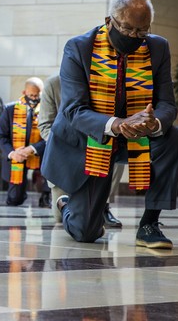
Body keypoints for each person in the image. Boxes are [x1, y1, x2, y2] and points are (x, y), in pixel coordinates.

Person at [42, 0, 178, 249]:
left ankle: (150, 224)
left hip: (135, 137)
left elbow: (167, 103)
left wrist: (153, 123)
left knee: (174, 137)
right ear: (109, 21)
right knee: (86, 232)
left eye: (142, 31)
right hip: (90, 141)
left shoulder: (157, 47)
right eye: (127, 29)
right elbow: (74, 110)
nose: (134, 36)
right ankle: (66, 203)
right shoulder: (79, 48)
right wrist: (118, 124)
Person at [38, 74, 123, 228]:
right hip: (66, 150)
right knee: (61, 218)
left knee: (115, 153)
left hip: (99, 146)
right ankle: (67, 204)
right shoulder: (53, 84)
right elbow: (45, 126)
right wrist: (68, 147)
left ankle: (103, 206)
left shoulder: (107, 78)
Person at [0, 77, 50, 207]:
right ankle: (19, 192)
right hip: (17, 154)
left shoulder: (48, 110)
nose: (34, 98)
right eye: (31, 95)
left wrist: (32, 148)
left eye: (37, 96)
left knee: (51, 158)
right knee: (14, 199)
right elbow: (1, 136)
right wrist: (12, 153)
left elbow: (51, 136)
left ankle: (46, 194)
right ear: (24, 92)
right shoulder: (10, 109)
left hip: (39, 152)